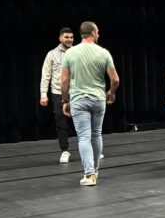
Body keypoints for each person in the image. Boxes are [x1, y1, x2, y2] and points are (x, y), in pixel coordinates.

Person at [60, 21, 119, 187]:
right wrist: (111, 92)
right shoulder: (104, 53)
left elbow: (64, 81)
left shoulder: (70, 53)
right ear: (92, 33)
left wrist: (65, 100)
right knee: (96, 135)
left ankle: (89, 173)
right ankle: (95, 170)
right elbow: (115, 79)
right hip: (99, 99)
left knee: (84, 137)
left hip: (79, 100)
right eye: (97, 32)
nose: (98, 34)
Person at [39, 27, 75, 163]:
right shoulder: (52, 54)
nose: (69, 40)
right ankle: (65, 150)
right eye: (66, 37)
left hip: (76, 92)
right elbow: (45, 76)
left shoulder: (77, 52)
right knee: (61, 122)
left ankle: (92, 150)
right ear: (60, 38)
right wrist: (43, 94)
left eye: (71, 37)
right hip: (58, 93)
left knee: (83, 121)